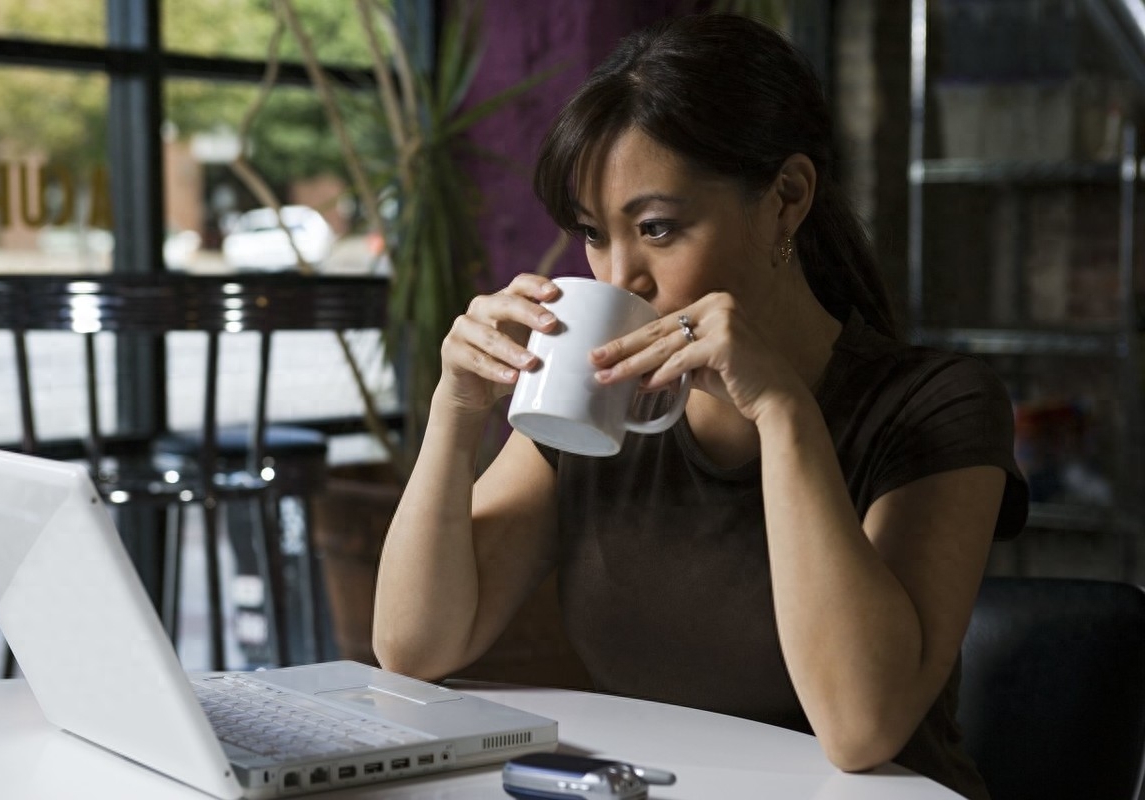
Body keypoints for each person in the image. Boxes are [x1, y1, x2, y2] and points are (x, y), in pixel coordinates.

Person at [372, 13, 1027, 800]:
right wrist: (457, 410)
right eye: (592, 234)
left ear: (786, 199)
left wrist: (784, 414)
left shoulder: (935, 404)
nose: (620, 279)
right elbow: (415, 646)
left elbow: (860, 728)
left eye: (657, 228)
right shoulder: (600, 410)